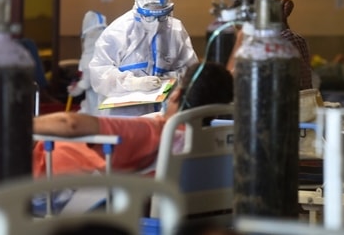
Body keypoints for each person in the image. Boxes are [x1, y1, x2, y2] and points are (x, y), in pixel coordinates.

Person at [32, 61, 233, 177]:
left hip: (46, 180)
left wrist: (18, 124)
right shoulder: (212, 141)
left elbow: (70, 123)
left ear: (175, 95)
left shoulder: (154, 130)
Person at [89, 0, 199, 116]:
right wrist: (132, 83)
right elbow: (99, 73)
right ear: (138, 8)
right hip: (125, 118)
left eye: (162, 17)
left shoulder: (175, 30)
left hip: (164, 114)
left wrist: (171, 80)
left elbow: (191, 69)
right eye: (150, 17)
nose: (157, 24)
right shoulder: (118, 32)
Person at [226, 0, 313, 90]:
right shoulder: (290, 39)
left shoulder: (274, 45)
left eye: (243, 28)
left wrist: (240, 39)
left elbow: (229, 83)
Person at [67, 10, 107, 115]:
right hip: (105, 103)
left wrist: (78, 87)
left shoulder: (92, 38)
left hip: (98, 108)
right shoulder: (107, 36)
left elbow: (89, 76)